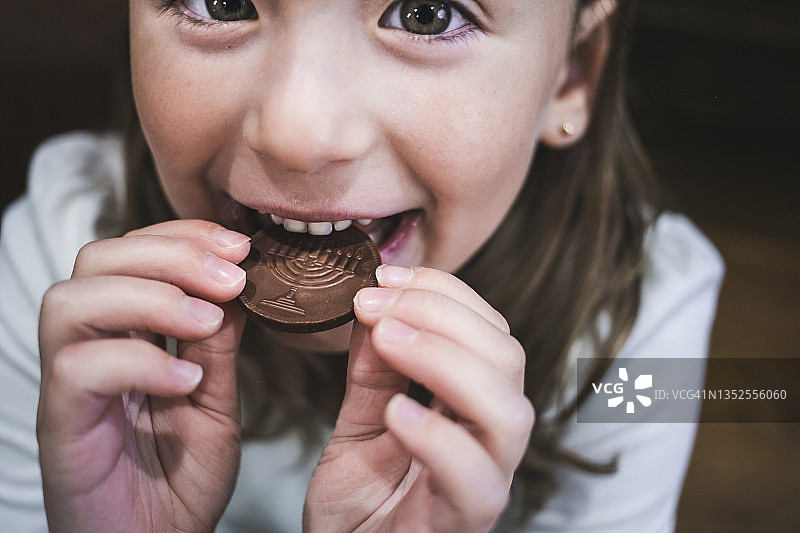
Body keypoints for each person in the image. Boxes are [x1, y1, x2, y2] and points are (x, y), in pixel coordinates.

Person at [0, 0, 724, 531]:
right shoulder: (65, 272)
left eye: (427, 14)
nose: (297, 132)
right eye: (222, 2)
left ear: (571, 74)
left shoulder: (644, 324)